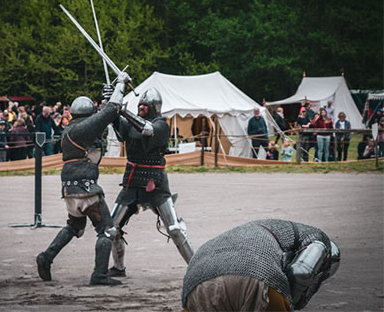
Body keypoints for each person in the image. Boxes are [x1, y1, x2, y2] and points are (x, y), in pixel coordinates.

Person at [36, 72, 129, 286]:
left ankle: (46, 257)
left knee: (75, 226)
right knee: (107, 229)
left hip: (69, 189)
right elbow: (110, 112)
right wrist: (121, 83)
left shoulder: (72, 129)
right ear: (88, 114)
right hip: (86, 188)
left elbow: (105, 115)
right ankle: (99, 275)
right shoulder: (82, 129)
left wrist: (107, 97)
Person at [108, 88, 194, 278]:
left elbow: (147, 130)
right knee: (112, 227)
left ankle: (196, 267)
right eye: (140, 105)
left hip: (156, 183)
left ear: (155, 107)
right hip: (131, 182)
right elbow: (117, 124)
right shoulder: (131, 123)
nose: (141, 107)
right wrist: (111, 102)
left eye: (145, 105)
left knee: (175, 229)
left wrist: (123, 111)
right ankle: (118, 267)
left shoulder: (161, 124)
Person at [182, 219, 340, 312]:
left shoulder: (261, 229)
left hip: (195, 283)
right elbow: (301, 273)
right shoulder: (318, 238)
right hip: (254, 275)